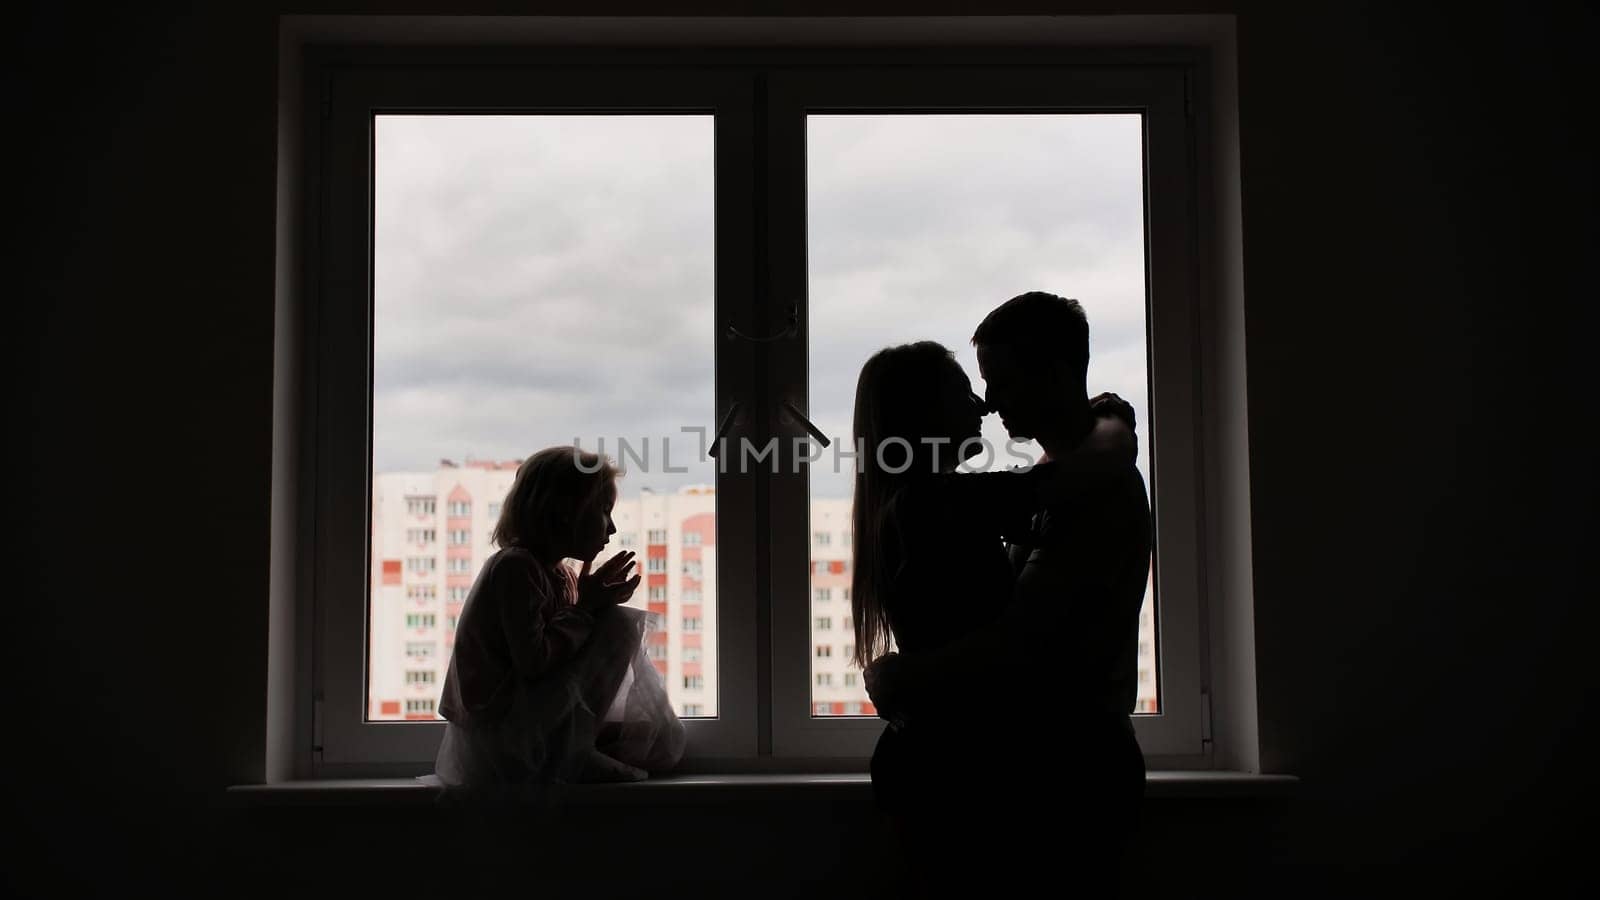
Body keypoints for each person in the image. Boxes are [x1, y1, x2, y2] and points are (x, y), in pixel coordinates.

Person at [866, 292, 1153, 891]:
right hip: (1009, 777)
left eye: (997, 380)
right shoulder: (966, 497)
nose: (987, 403)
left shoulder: (1085, 487)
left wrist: (905, 676)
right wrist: (1115, 426)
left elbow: (1023, 643)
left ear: (1053, 373)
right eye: (972, 388)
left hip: (1056, 778)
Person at [433, 445, 685, 788]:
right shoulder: (515, 567)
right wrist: (587, 609)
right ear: (566, 512)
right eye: (603, 511)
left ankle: (579, 743)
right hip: (499, 733)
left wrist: (592, 602)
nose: (610, 528)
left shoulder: (558, 574)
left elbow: (565, 655)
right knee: (618, 627)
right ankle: (573, 752)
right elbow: (534, 662)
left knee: (610, 621)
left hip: (521, 722)